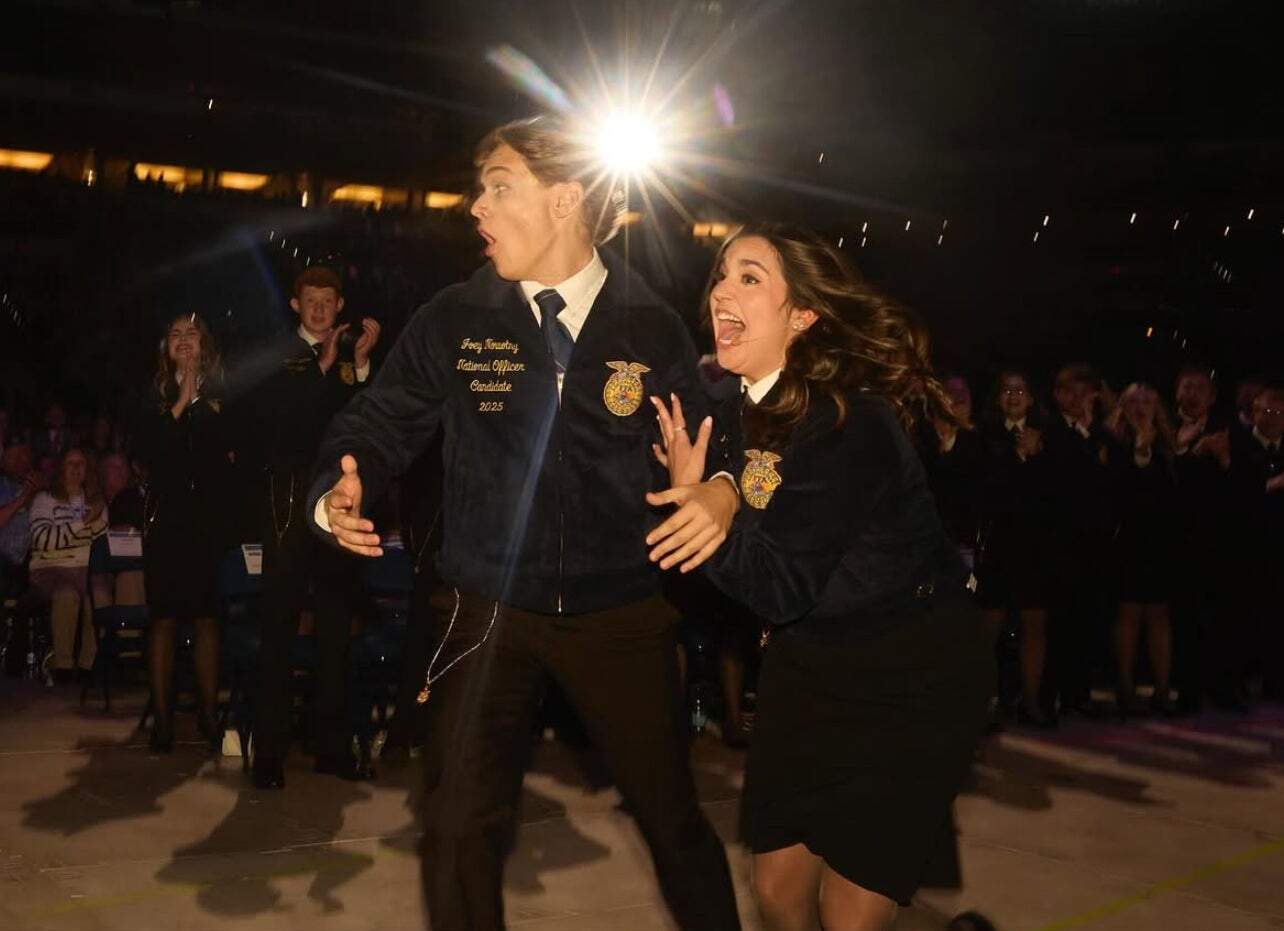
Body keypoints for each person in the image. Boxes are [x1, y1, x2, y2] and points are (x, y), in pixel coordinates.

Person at [310, 115, 740, 931]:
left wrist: (719, 485)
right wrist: (339, 482)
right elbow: (377, 422)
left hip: (620, 609)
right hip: (488, 609)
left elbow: (724, 436)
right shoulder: (455, 318)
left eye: (499, 186)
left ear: (564, 200)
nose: (477, 205)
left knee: (673, 822)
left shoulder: (647, 324)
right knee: (456, 822)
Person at [648, 223, 992, 931]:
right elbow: (743, 472)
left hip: (910, 675)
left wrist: (711, 514)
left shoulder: (848, 421)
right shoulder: (741, 406)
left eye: (750, 277)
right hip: (811, 666)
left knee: (849, 914)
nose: (722, 289)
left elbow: (778, 584)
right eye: (721, 274)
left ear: (802, 315)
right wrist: (713, 484)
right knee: (775, 889)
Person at [238, 266, 382, 788]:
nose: (320, 308)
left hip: (337, 506)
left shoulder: (349, 360)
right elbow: (276, 427)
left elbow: (365, 428)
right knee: (278, 625)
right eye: (310, 300)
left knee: (335, 628)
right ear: (296, 305)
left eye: (328, 300)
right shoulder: (276, 354)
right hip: (285, 504)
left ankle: (331, 746)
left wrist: (360, 369)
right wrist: (323, 367)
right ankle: (270, 753)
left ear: (339, 305)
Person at [134, 313, 236, 752]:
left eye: (191, 332)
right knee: (163, 619)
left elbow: (226, 452)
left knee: (207, 617)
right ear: (165, 347)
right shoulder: (153, 395)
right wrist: (182, 394)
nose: (183, 339)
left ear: (204, 343)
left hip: (207, 521)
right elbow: (153, 451)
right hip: (165, 520)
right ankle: (161, 721)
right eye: (174, 334)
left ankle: (210, 716)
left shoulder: (222, 393)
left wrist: (199, 392)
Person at [976, 370, 1053, 726]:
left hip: (1034, 546)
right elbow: (987, 490)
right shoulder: (984, 436)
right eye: (1006, 389)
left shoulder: (1047, 437)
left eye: (1020, 390)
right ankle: (985, 700)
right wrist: (1019, 458)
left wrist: (1035, 458)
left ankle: (1031, 700)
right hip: (997, 545)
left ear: (1032, 398)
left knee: (1033, 624)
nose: (1013, 395)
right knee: (989, 627)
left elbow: (1051, 494)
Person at [1042, 363, 1114, 718]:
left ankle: (1079, 690)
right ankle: (1048, 691)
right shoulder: (1049, 430)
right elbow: (1062, 480)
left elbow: (1106, 484)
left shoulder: (1102, 433)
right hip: (1057, 541)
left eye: (1084, 392)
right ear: (1057, 395)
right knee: (1056, 621)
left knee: (1087, 617)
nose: (1078, 398)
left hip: (1093, 543)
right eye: (1070, 391)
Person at [1105, 383, 1178, 718]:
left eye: (1148, 401)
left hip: (1160, 539)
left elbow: (1169, 492)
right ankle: (1124, 686)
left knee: (1159, 615)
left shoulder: (1167, 442)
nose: (1141, 407)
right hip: (1127, 539)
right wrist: (1138, 454)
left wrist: (1149, 452)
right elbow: (1118, 491)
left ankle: (1163, 690)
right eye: (1134, 401)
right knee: (1129, 613)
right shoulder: (1112, 441)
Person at [1170, 366, 1234, 712]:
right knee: (1182, 615)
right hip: (1174, 537)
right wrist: (1190, 453)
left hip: (1216, 538)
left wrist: (1222, 458)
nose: (1192, 393)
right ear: (1177, 391)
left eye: (1199, 388)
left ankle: (1221, 686)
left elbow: (1240, 485)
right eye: (1186, 386)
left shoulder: (1226, 429)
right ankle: (1186, 689)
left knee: (1218, 614)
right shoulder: (1164, 425)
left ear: (1211, 396)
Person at [28, 447, 107, 682]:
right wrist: (83, 523)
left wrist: (88, 524)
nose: (75, 468)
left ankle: (89, 666)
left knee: (100, 595)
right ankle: (62, 665)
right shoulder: (45, 500)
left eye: (80, 463)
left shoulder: (95, 503)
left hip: (86, 568)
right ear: (60, 468)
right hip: (51, 569)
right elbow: (44, 540)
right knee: (66, 595)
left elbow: (101, 543)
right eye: (70, 463)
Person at [1227, 383, 1284, 699]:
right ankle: (1236, 681)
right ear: (1253, 413)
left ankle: (1275, 680)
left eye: (1279, 411)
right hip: (1246, 547)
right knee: (1244, 616)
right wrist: (1271, 485)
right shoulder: (1239, 445)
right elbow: (1235, 497)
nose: (1273, 417)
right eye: (1266, 410)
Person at [0, 442, 41, 597]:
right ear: (3, 461)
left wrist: (37, 494)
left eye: (23, 455)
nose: (19, 461)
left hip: (29, 561)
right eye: (13, 456)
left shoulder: (42, 487)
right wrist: (24, 497)